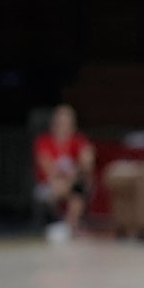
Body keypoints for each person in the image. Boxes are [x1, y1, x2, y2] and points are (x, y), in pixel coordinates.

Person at [32, 103, 96, 242]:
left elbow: (86, 165)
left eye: (68, 121)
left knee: (78, 191)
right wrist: (67, 178)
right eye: (61, 121)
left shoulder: (78, 141)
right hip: (49, 184)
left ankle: (68, 226)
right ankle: (64, 226)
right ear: (55, 122)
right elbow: (49, 169)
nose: (65, 125)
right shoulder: (44, 141)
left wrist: (85, 161)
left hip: (72, 184)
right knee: (63, 188)